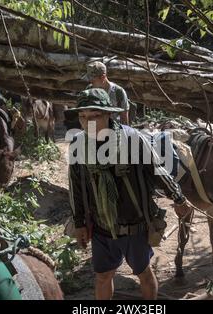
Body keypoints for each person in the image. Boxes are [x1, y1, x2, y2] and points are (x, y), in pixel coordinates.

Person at [68, 88, 194, 300]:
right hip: (101, 227)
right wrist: (79, 222)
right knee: (102, 276)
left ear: (108, 114)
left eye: (94, 116)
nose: (87, 122)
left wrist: (178, 197)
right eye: (82, 116)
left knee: (143, 273)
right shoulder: (79, 144)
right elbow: (76, 187)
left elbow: (157, 171)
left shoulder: (132, 139)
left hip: (133, 227)